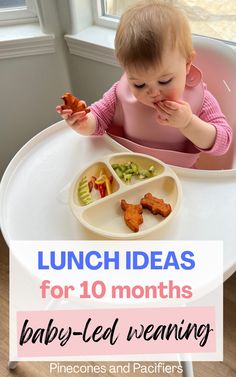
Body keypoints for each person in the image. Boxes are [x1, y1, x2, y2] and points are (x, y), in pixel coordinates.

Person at [56, 0, 232, 168]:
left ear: (187, 64)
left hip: (179, 177)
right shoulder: (120, 92)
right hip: (129, 169)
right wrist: (84, 123)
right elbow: (99, 119)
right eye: (139, 84)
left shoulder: (199, 99)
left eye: (164, 81)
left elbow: (223, 142)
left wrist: (188, 123)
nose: (153, 92)